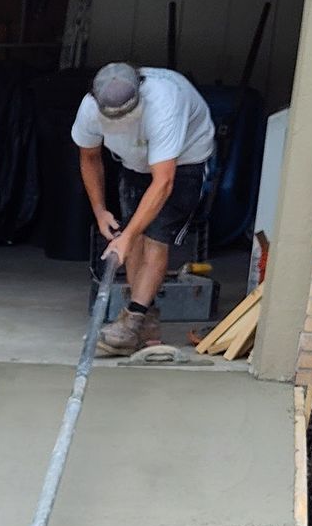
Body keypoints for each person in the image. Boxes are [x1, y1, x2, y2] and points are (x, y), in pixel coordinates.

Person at [71, 62, 217, 357]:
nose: (119, 123)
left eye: (125, 116)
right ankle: (144, 323)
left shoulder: (164, 104)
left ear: (138, 97)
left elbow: (163, 182)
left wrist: (125, 238)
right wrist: (99, 210)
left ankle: (132, 320)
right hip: (133, 161)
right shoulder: (89, 108)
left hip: (184, 161)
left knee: (154, 237)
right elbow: (89, 157)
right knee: (133, 235)